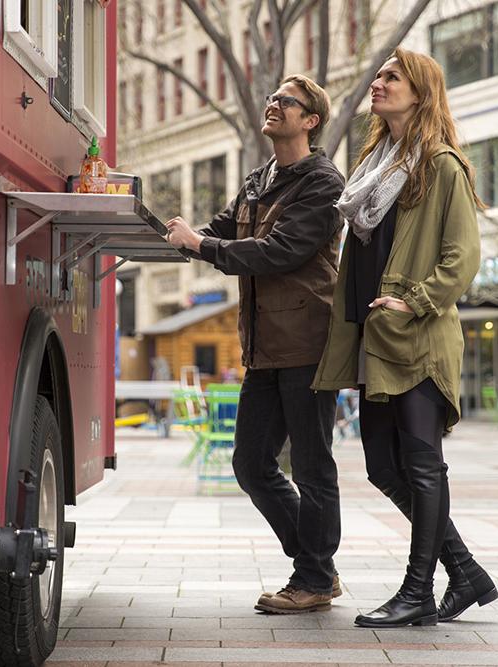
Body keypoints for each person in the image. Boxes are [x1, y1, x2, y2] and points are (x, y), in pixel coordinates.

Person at [311, 48, 498, 628]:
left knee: (422, 467)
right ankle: (464, 571)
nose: (379, 82)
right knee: (382, 467)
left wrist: (413, 299)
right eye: (379, 74)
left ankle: (418, 592)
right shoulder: (376, 164)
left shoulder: (441, 165)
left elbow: (462, 258)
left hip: (416, 337)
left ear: (421, 91)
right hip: (373, 339)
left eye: (393, 76)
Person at [165, 74, 345, 614]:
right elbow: (220, 230)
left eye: (285, 101)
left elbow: (277, 251)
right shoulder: (258, 179)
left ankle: (313, 577)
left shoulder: (323, 182)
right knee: (250, 463)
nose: (272, 104)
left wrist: (204, 244)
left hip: (308, 341)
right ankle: (318, 567)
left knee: (312, 466)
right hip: (264, 346)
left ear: (310, 120)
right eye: (271, 98)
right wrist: (172, 234)